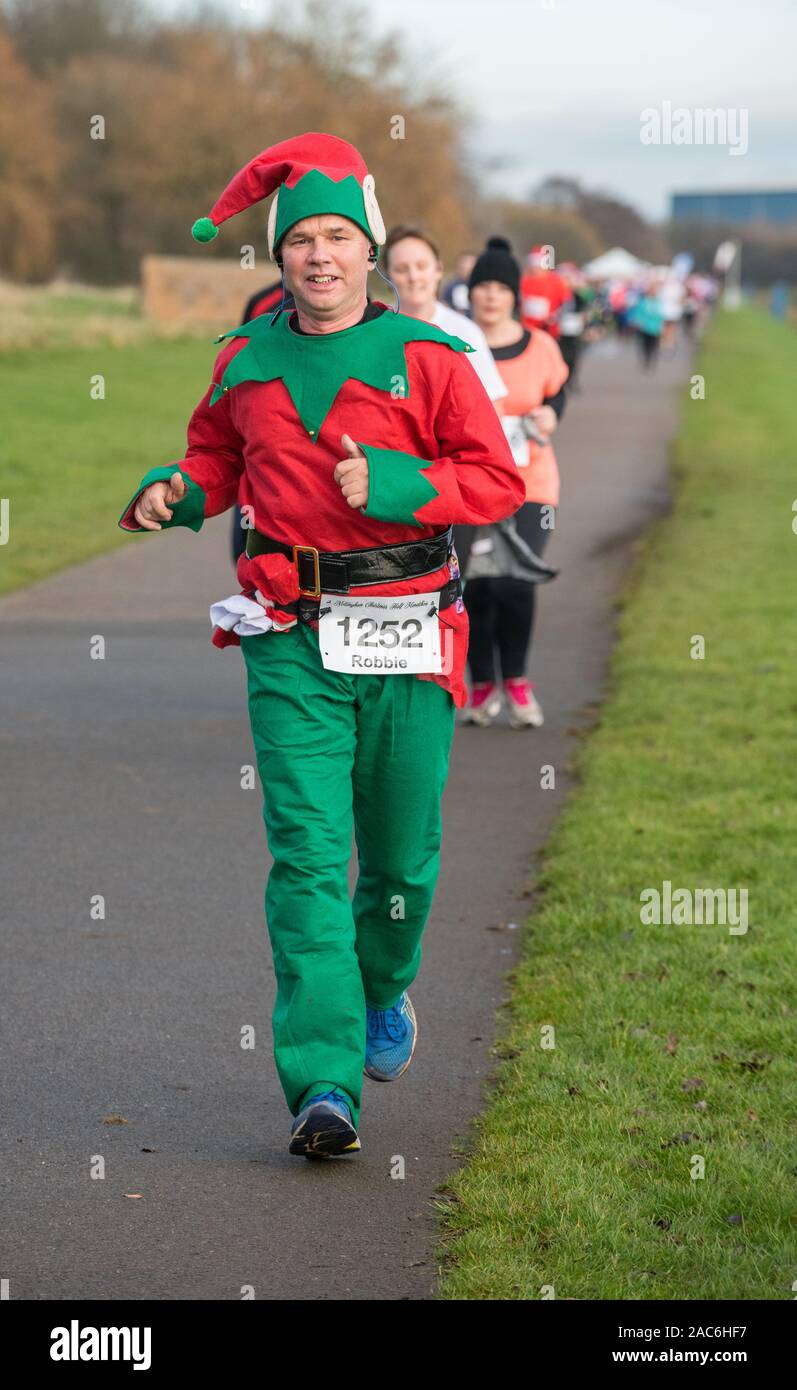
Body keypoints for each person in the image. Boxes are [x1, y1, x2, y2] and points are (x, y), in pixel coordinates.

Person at [116, 133, 525, 1160]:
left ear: (371, 248)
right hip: (289, 633)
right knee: (304, 857)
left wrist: (391, 486)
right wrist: (177, 491)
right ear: (280, 256)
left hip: (408, 627)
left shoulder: (429, 358)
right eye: (300, 239)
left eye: (339, 236)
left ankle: (385, 986)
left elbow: (496, 481)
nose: (319, 255)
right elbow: (215, 455)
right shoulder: (244, 357)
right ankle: (322, 1081)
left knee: (399, 862)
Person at [463, 236, 569, 728]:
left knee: (517, 577)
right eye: (480, 285)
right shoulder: (455, 343)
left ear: (513, 293)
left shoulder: (540, 345)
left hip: (532, 482)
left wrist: (549, 415)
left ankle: (519, 683)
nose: (489, 295)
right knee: (476, 583)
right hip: (470, 482)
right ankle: (482, 686)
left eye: (499, 287)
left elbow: (557, 395)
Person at [382, 225, 507, 408]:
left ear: (438, 269)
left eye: (421, 266)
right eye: (401, 269)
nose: (413, 277)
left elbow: (492, 406)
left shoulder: (465, 333)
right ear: (387, 276)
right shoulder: (373, 330)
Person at [230, 281, 294, 564]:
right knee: (246, 554)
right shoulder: (261, 302)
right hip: (260, 453)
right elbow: (239, 374)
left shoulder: (345, 295)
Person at [519, 245, 571, 338]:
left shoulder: (556, 281)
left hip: (549, 331)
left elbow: (568, 303)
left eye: (538, 266)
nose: (535, 269)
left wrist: (556, 316)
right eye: (533, 266)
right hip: (526, 331)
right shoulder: (524, 281)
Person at [628, 282, 665, 368]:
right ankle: (646, 360)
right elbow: (638, 313)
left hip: (655, 327)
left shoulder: (658, 302)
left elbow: (660, 315)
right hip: (644, 327)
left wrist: (662, 325)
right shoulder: (643, 301)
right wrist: (638, 322)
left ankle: (652, 359)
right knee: (645, 345)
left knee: (654, 345)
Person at [440, 251, 476, 315]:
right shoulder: (451, 286)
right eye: (464, 263)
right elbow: (445, 303)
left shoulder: (478, 287)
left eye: (470, 263)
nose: (466, 266)